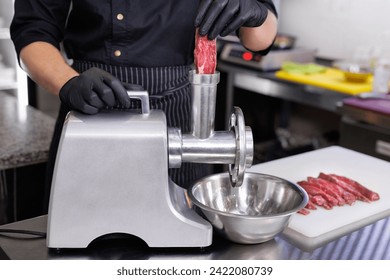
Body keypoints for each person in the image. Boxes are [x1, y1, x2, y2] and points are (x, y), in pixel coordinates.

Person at [10, 0, 278, 210]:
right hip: (90, 106)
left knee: (183, 246)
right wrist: (68, 83)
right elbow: (32, 31)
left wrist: (255, 12)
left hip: (182, 114)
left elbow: (260, 39)